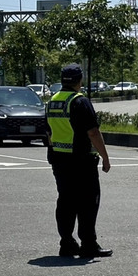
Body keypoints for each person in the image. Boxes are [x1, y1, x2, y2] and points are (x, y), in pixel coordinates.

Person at [46, 63, 113, 258]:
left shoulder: (52, 102)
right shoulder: (79, 101)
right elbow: (92, 132)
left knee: (65, 201)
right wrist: (105, 157)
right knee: (88, 202)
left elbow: (49, 133)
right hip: (81, 161)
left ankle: (66, 243)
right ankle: (88, 244)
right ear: (79, 80)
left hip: (59, 160)